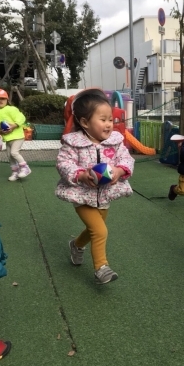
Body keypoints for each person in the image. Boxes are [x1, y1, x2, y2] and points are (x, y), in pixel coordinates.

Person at [55, 88, 134, 284]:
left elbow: (126, 158)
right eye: (103, 119)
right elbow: (63, 163)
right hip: (81, 195)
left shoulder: (115, 142)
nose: (109, 124)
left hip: (104, 195)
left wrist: (120, 170)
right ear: (84, 122)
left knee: (93, 230)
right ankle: (101, 268)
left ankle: (76, 245)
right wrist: (80, 175)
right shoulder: (73, 143)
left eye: (110, 120)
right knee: (100, 231)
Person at [0, 88, 31, 181]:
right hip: (7, 138)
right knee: (9, 156)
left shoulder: (12, 109)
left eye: (3, 98)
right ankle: (15, 172)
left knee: (14, 153)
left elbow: (21, 117)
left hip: (18, 136)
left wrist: (14, 125)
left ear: (7, 100)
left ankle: (25, 168)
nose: (0, 100)